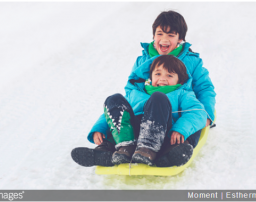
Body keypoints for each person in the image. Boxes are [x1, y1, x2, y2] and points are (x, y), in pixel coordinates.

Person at [87, 10, 216, 158]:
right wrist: (101, 128)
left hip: (174, 114)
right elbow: (129, 97)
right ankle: (110, 148)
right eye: (160, 34)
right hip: (141, 118)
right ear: (153, 36)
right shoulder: (142, 62)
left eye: (171, 35)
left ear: (180, 39)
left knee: (173, 113)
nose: (164, 39)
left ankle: (176, 149)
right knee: (117, 103)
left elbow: (204, 89)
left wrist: (206, 114)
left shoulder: (191, 62)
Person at [72, 55, 207, 167]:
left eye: (170, 75)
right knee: (114, 100)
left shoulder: (182, 93)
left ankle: (158, 152)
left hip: (161, 134)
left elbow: (197, 112)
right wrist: (99, 128)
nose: (163, 78)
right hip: (131, 136)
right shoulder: (136, 93)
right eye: (158, 73)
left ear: (180, 80)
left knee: (158, 97)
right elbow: (112, 112)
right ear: (150, 77)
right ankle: (116, 150)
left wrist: (180, 129)